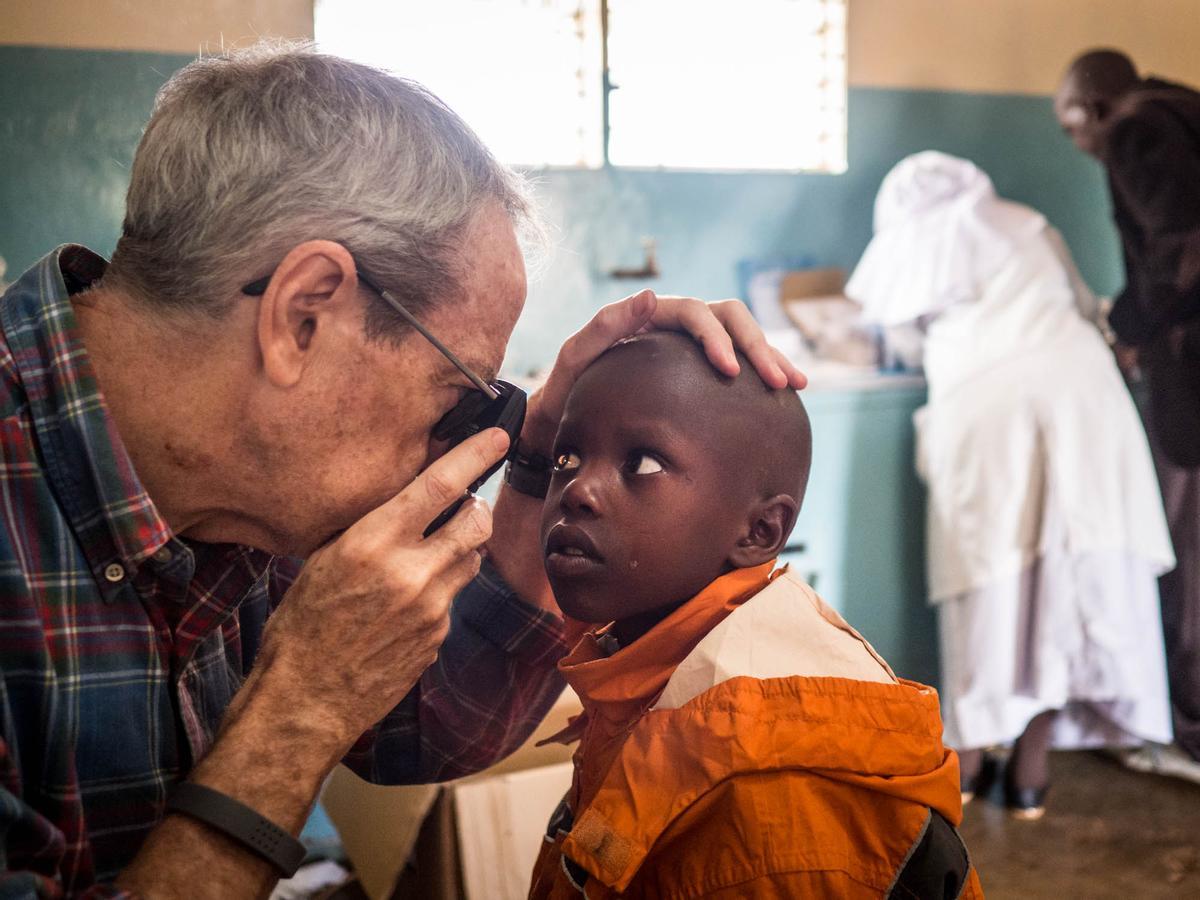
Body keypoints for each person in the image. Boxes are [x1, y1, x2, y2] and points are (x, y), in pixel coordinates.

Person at [0, 44, 806, 898]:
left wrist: (537, 455)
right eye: (456, 395)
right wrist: (299, 710)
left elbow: (432, 725)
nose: (460, 441)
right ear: (305, 315)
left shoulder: (250, 485)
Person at [526, 331, 983, 899]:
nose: (578, 490)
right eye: (565, 457)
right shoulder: (638, 669)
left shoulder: (771, 804)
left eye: (641, 463)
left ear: (760, 530)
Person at [846, 150, 1176, 819]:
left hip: (988, 408)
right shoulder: (1025, 222)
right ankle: (1030, 774)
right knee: (1072, 576)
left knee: (991, 578)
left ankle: (963, 762)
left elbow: (900, 344)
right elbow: (1086, 307)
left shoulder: (914, 244)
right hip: (1087, 398)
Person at [1054, 48, 1200, 770]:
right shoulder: (1185, 106)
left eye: (1068, 125)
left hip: (1192, 368)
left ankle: (1187, 724)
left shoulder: (1136, 130)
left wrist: (1130, 325)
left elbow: (1182, 250)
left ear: (1095, 107)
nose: (1075, 144)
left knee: (1186, 542)